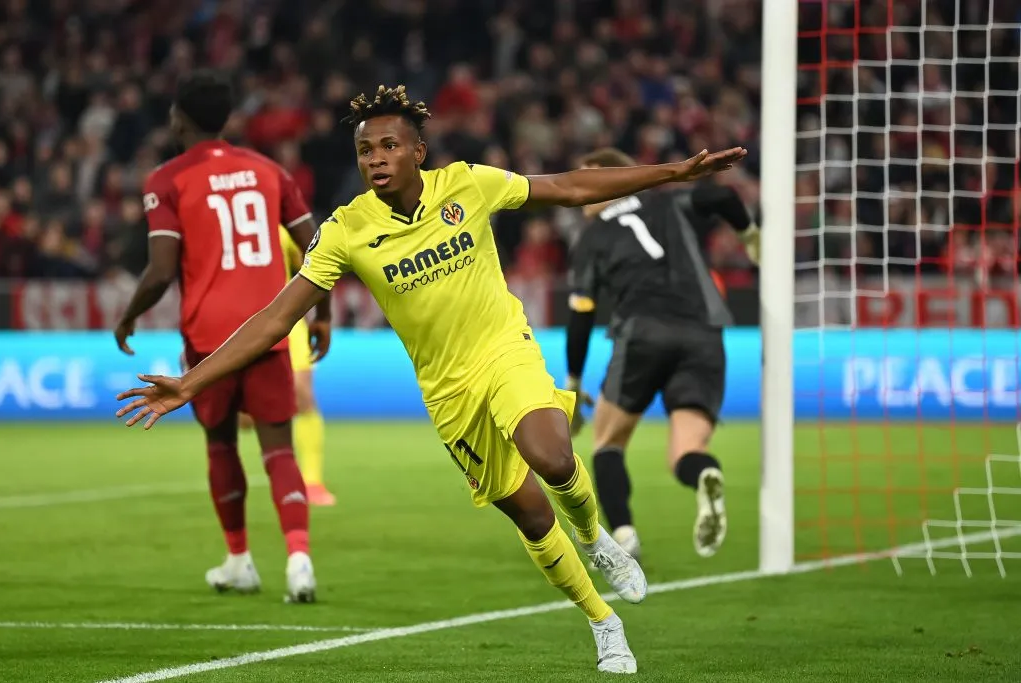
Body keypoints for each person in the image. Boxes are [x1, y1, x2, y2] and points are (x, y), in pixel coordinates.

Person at [116, 85, 746, 674]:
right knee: (529, 516)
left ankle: (595, 537)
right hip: (448, 393)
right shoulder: (346, 230)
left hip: (505, 350)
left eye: (389, 145)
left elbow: (570, 185)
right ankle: (603, 621)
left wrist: (673, 173)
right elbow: (277, 317)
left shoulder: (468, 184)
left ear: (418, 151)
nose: (376, 158)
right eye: (365, 150)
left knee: (552, 456)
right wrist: (191, 382)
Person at [113, 70, 332, 603]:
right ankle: (299, 560)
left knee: (220, 443)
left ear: (177, 119)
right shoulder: (269, 170)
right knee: (279, 449)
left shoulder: (166, 180)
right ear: (227, 118)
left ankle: (239, 560)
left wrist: (129, 315)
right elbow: (318, 244)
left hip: (209, 339)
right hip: (269, 331)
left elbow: (161, 271)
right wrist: (321, 313)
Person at [564, 148, 760, 563]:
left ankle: (624, 536)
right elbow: (723, 196)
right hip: (704, 332)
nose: (581, 190)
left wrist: (574, 383)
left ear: (614, 178)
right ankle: (704, 473)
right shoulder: (668, 201)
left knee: (607, 442)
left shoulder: (593, 237)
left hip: (643, 333)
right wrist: (749, 237)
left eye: (590, 178)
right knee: (685, 451)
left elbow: (581, 314)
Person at [239, 226, 335, 507]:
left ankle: (313, 482)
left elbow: (312, 262)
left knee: (303, 395)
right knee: (245, 419)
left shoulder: (285, 224)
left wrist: (319, 313)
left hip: (286, 321)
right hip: (240, 322)